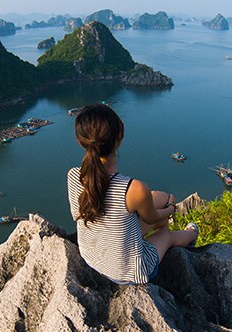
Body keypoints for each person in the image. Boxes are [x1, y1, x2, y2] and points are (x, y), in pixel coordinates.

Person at [67, 105, 198, 285]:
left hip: (91, 256)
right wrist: (171, 209)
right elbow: (152, 217)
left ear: (81, 141)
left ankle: (166, 224)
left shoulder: (74, 175)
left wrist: (162, 202)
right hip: (127, 272)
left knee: (157, 197)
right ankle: (192, 234)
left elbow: (78, 214)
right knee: (166, 234)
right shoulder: (133, 188)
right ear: (118, 138)